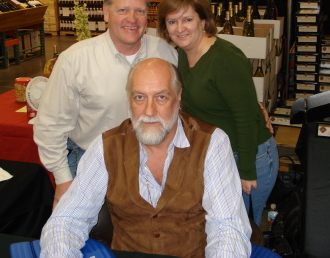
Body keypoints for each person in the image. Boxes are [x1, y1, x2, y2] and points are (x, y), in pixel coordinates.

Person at [40, 58, 252, 258]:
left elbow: (227, 227)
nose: (149, 111)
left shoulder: (212, 143)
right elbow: (67, 220)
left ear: (178, 98)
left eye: (161, 97)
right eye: (139, 97)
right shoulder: (106, 147)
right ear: (129, 100)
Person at [34, 0, 177, 208]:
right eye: (123, 10)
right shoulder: (75, 60)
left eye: (139, 10)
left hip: (155, 165)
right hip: (94, 166)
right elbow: (50, 126)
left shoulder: (166, 53)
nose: (132, 19)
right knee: (93, 241)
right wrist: (63, 181)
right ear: (106, 12)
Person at [157, 0, 278, 226]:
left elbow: (245, 118)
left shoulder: (226, 59)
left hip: (248, 155)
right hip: (218, 154)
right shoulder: (182, 53)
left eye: (187, 19)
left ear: (203, 21)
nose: (179, 28)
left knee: (241, 230)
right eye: (172, 22)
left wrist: (246, 171)